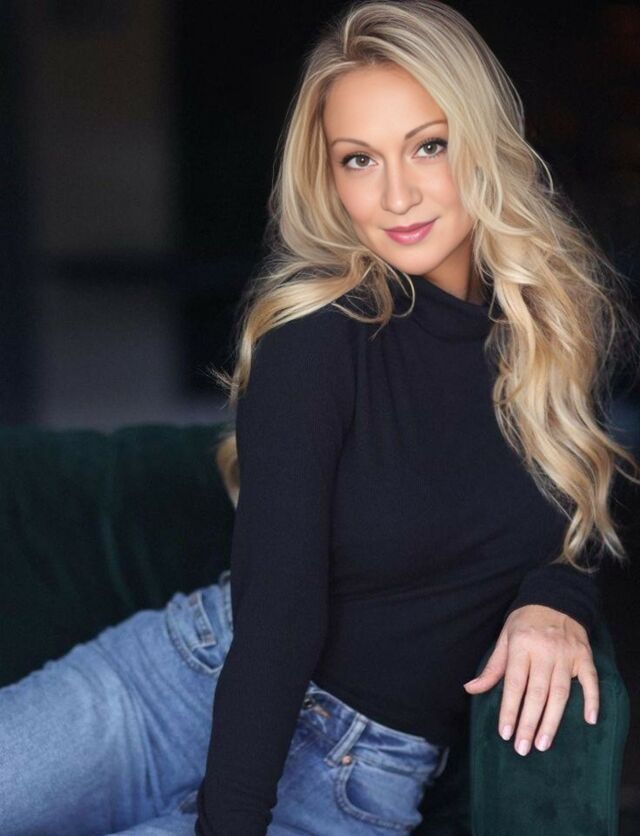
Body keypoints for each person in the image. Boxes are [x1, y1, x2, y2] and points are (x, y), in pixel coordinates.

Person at [1, 1, 639, 834]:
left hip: (358, 773)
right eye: (359, 159)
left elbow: (575, 512)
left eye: (429, 145)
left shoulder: (551, 328)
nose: (397, 194)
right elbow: (279, 617)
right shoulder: (318, 337)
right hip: (180, 685)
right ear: (329, 177)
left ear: (483, 143)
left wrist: (554, 600)